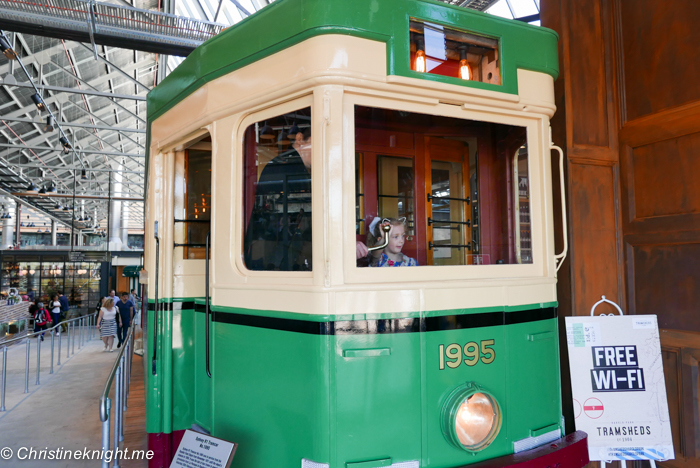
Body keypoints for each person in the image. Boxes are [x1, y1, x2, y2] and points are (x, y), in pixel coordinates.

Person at [244, 127, 312, 271]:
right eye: (319, 140)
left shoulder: (284, 165)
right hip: (279, 254)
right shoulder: (288, 168)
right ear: (299, 139)